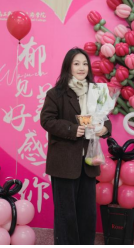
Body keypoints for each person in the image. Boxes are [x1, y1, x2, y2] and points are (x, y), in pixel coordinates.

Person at [40, 48, 112, 245]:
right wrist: (72, 129)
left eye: (85, 63)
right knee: (66, 214)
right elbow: (47, 120)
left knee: (88, 214)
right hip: (64, 163)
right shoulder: (56, 94)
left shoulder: (96, 92)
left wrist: (104, 129)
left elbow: (105, 119)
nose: (82, 68)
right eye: (76, 63)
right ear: (68, 67)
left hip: (89, 161)